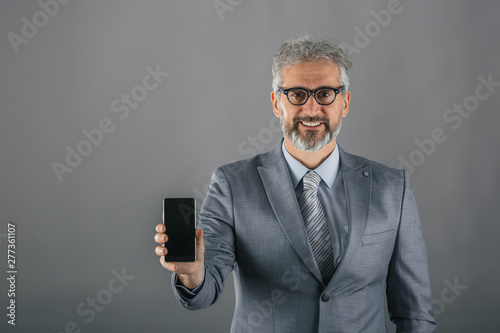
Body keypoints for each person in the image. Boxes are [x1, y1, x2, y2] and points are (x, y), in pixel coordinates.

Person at [154, 34, 436, 332]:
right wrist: (192, 274)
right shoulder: (232, 185)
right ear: (277, 103)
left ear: (345, 102)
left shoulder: (393, 188)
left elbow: (415, 313)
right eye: (297, 94)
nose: (312, 110)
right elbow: (203, 293)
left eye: (325, 94)